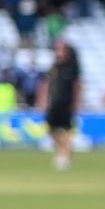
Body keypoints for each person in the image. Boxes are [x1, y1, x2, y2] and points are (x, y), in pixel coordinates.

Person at [38, 38, 82, 170]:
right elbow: (46, 85)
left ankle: (64, 157)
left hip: (66, 105)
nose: (58, 52)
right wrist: (43, 100)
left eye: (60, 49)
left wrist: (76, 103)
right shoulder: (53, 68)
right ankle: (63, 152)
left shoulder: (72, 68)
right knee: (51, 130)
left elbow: (77, 87)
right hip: (54, 104)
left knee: (66, 131)